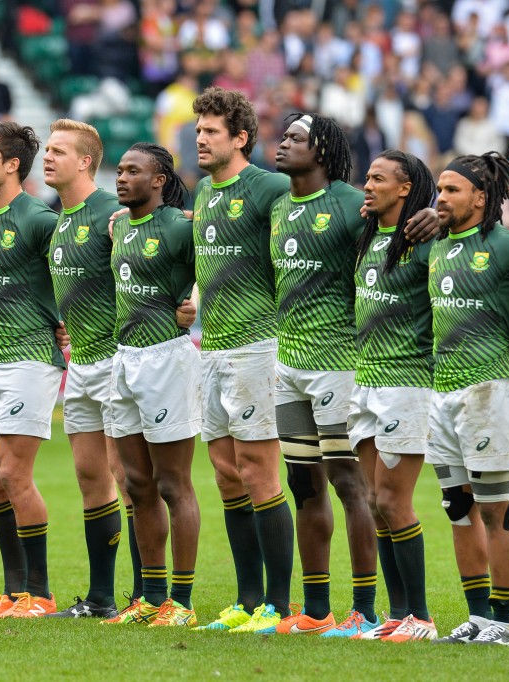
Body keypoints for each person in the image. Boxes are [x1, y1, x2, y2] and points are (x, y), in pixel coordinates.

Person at [188, 87, 296, 634]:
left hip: (258, 346)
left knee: (258, 471)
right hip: (213, 346)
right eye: (199, 130)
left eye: (211, 131)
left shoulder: (270, 187)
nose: (200, 138)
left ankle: (277, 604)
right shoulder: (204, 191)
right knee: (226, 474)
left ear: (241, 138)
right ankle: (246, 599)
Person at [266, 113, 378, 637]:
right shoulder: (280, 207)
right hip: (288, 366)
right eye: (283, 136)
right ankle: (315, 609)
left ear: (325, 150)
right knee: (303, 486)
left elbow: (396, 249)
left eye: (295, 138)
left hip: (339, 363)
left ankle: (366, 609)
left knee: (350, 484)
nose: (283, 144)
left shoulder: (353, 204)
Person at [0, 122, 68, 619]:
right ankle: (12, 590)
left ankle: (41, 594)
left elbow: (82, 267)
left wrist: (71, 321)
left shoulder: (39, 220)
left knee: (14, 473)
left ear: (12, 166)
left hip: (30, 360)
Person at [41, 119, 143, 619]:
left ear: (86, 162)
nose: (48, 156)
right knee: (89, 477)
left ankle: (148, 596)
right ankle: (101, 598)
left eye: (59, 150)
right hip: (79, 361)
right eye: (47, 149)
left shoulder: (112, 211)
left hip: (117, 360)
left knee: (129, 477)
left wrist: (184, 304)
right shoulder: (57, 217)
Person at [427, 152, 509, 646]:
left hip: (491, 390)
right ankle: (478, 618)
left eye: (451, 190)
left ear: (481, 198)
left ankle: (505, 622)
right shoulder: (435, 247)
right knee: (456, 506)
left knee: (495, 509)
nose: (441, 198)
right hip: (441, 392)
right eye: (439, 190)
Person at [107, 143, 201, 627]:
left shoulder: (181, 227)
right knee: (137, 485)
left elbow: (210, 270)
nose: (121, 178)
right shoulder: (118, 226)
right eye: (120, 170)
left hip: (167, 358)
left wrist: (193, 304)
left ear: (160, 179)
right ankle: (150, 596)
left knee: (172, 483)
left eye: (133, 171)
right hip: (124, 360)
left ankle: (180, 603)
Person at [349, 150, 439, 642]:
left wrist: (439, 219)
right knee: (372, 500)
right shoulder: (370, 238)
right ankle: (399, 614)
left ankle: (421, 616)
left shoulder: (425, 242)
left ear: (405, 189)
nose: (367, 184)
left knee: (392, 499)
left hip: (407, 383)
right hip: (365, 380)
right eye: (366, 177)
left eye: (378, 178)